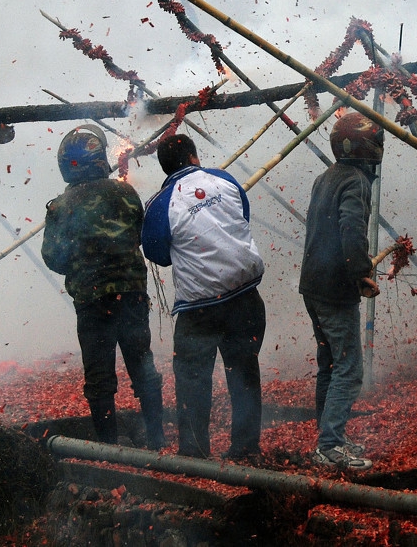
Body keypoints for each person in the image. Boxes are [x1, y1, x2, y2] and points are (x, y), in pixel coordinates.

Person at [142, 134, 266, 461]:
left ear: (165, 167)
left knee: (193, 381)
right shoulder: (225, 179)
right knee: (244, 372)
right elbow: (241, 220)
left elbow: (157, 253)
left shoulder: (160, 204)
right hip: (246, 296)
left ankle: (195, 453)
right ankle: (246, 449)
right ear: (195, 157)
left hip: (200, 309)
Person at [41, 124, 165, 449]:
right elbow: (141, 232)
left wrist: (82, 263)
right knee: (143, 365)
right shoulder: (125, 193)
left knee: (98, 378)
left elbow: (52, 257)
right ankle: (157, 439)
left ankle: (108, 446)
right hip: (132, 296)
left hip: (91, 302)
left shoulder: (59, 207)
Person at [300, 111, 382, 471]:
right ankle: (329, 445)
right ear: (368, 147)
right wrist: (361, 272)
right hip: (334, 289)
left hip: (313, 285)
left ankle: (329, 436)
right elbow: (351, 230)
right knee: (348, 368)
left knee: (329, 365)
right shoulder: (356, 182)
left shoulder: (325, 177)